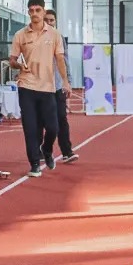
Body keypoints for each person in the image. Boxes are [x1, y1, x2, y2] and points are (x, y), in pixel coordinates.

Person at [9, 0, 69, 177]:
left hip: (48, 88)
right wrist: (18, 65)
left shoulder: (54, 35)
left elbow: (60, 59)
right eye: (31, 10)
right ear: (28, 12)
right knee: (30, 127)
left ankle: (47, 149)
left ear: (43, 12)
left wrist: (65, 81)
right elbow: (12, 60)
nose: (34, 14)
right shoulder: (20, 35)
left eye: (38, 10)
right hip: (26, 86)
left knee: (53, 128)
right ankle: (34, 163)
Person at [42, 9, 78, 164]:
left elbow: (65, 59)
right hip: (41, 86)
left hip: (58, 86)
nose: (50, 23)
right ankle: (42, 148)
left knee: (62, 118)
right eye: (47, 20)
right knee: (44, 121)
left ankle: (67, 151)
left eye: (52, 20)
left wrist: (67, 81)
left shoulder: (60, 38)